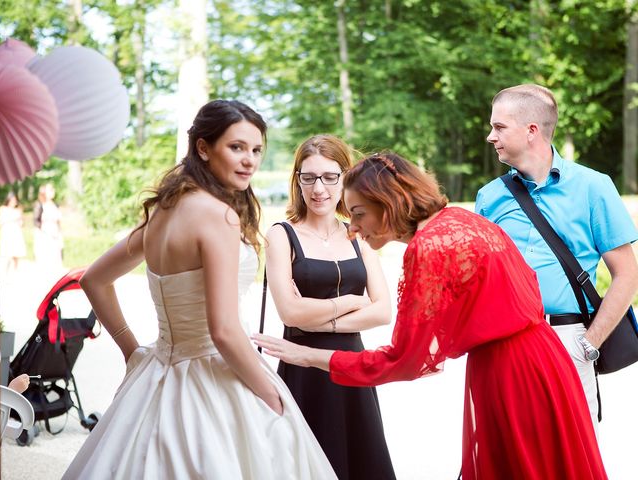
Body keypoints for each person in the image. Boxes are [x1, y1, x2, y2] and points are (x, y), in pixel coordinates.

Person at [254, 152, 607, 479]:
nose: (353, 228)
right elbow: (525, 288)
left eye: (359, 213)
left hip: (511, 372)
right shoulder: (462, 219)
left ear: (387, 203)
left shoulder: (429, 246)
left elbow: (405, 359)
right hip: (546, 360)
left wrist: (311, 356)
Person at [62, 100, 336, 479]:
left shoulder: (164, 210)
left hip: (156, 373)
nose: (249, 161)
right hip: (213, 379)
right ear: (203, 148)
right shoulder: (218, 216)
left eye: (256, 150)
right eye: (236, 147)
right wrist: (271, 397)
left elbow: (94, 279)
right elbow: (223, 330)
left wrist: (133, 352)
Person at [475, 84, 638, 429]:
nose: (491, 136)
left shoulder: (594, 186)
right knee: (510, 453)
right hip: (505, 344)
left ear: (532, 130)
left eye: (499, 127)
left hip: (569, 338)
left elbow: (627, 275)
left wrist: (588, 345)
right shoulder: (489, 197)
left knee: (572, 456)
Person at [265, 134, 395, 479]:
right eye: (308, 177)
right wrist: (352, 302)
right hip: (303, 372)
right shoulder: (281, 235)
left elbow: (383, 311)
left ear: (344, 178)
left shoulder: (358, 234)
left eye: (329, 177)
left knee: (361, 463)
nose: (318, 188)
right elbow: (290, 313)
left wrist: (318, 317)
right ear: (297, 180)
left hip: (353, 369)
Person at [33, 183, 63, 273]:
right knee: (46, 259)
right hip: (45, 235)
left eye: (53, 189)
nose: (52, 191)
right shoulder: (41, 205)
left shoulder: (55, 205)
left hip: (55, 234)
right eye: (50, 190)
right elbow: (36, 222)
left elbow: (59, 222)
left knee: (56, 259)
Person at [0, 192, 26, 277]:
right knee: (7, 255)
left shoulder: (18, 210)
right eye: (12, 200)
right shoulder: (3, 209)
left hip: (16, 233)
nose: (14, 202)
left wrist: (20, 219)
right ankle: (4, 274)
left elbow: (21, 223)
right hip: (7, 234)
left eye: (15, 201)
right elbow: (0, 221)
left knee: (16, 254)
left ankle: (15, 274)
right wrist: (12, 219)